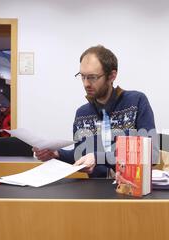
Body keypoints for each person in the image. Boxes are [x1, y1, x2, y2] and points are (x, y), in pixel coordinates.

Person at [33, 45, 159, 177]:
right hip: (94, 191)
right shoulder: (82, 113)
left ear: (111, 76)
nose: (86, 83)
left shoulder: (136, 101)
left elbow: (151, 155)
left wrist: (98, 157)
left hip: (129, 190)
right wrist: (57, 154)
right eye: (82, 76)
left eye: (92, 77)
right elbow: (80, 155)